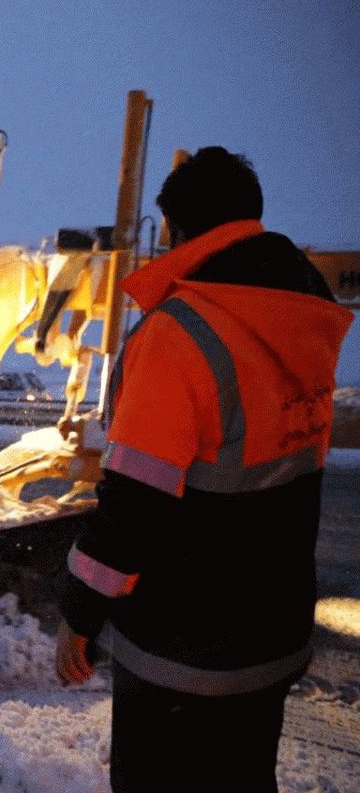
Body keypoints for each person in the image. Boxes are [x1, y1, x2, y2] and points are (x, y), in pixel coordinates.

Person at [54, 147, 353, 792]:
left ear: (178, 230)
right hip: (271, 636)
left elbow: (133, 506)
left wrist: (77, 615)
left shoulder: (176, 336)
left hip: (181, 648)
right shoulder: (304, 321)